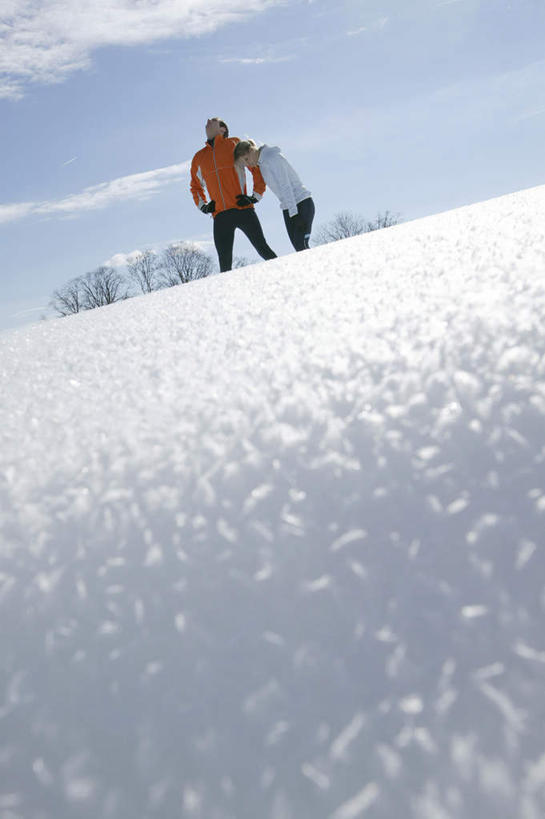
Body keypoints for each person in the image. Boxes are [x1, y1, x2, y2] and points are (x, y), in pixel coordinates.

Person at [190, 118, 277, 272]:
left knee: (263, 249)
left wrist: (254, 197)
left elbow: (256, 168)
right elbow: (195, 187)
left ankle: (285, 275)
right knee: (224, 264)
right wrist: (203, 206)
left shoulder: (235, 144)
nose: (208, 121)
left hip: (244, 210)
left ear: (222, 129)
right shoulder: (199, 157)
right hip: (220, 216)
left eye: (214, 121)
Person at [234, 140, 314, 251]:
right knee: (298, 248)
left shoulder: (272, 158)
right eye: (244, 163)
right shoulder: (261, 164)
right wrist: (253, 198)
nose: (248, 164)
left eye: (247, 159)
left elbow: (286, 186)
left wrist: (294, 214)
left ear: (251, 150)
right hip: (288, 207)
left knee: (301, 245)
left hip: (301, 203)